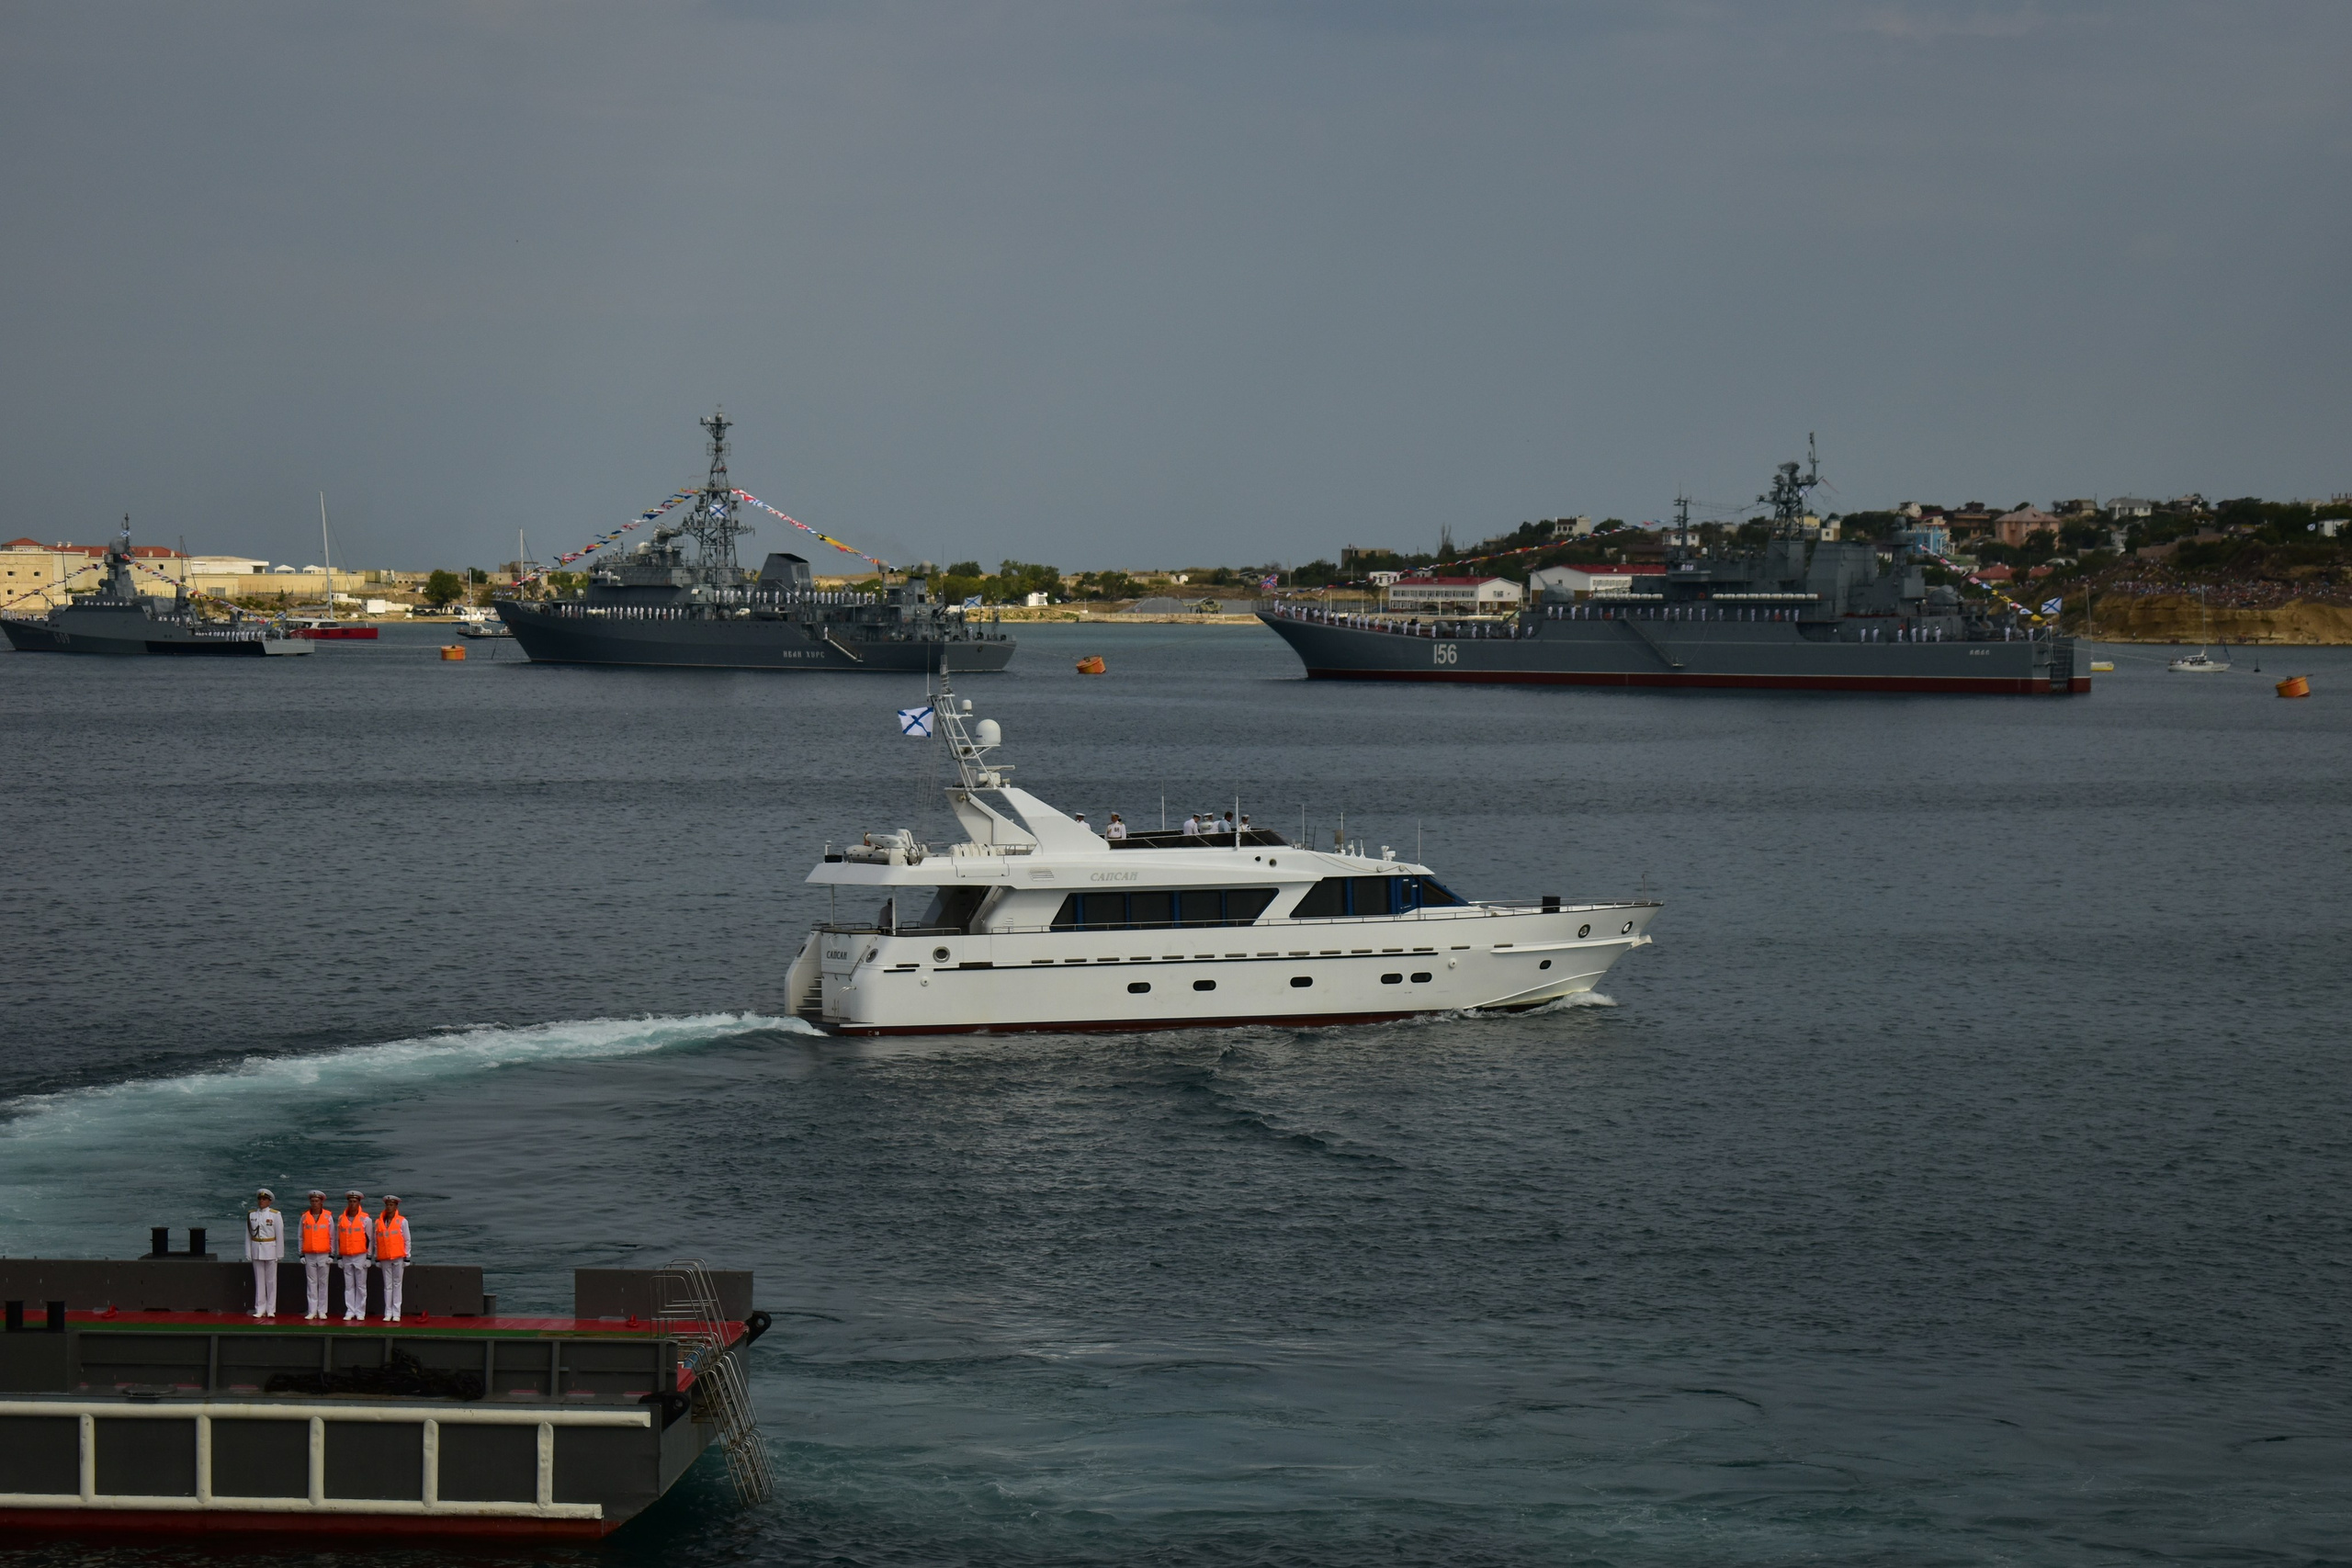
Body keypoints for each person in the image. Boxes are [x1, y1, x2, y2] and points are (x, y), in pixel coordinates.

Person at [334, 1190, 373, 1320]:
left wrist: (369, 1257)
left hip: (360, 1255)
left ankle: (360, 1311)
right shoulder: (341, 1219)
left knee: (361, 1285)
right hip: (346, 1256)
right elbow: (338, 1239)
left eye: (354, 1201)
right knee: (349, 1285)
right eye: (350, 1201)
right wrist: (338, 1257)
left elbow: (370, 1239)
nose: (352, 1204)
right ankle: (350, 1310)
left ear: (359, 1203)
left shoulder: (366, 1220)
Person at [244, 1188, 283, 1319]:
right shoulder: (252, 1215)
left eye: (264, 1199)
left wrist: (279, 1253)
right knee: (259, 1281)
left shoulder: (275, 1215)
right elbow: (248, 1235)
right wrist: (248, 1251)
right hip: (257, 1249)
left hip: (271, 1249)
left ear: (270, 1201)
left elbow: (279, 1235)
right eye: (260, 1199)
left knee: (271, 1281)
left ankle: (271, 1309)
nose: (261, 1201)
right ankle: (260, 1308)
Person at [374, 1196, 413, 1323]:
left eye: (392, 1205)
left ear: (396, 1207)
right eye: (387, 1205)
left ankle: (396, 1312)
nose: (389, 1207)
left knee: (397, 1284)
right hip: (385, 1257)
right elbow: (376, 1242)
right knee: (387, 1286)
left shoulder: (402, 1221)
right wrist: (377, 1258)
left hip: (398, 1257)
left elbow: (407, 1240)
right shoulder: (379, 1222)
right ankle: (388, 1312)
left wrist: (407, 1256)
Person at [298, 1190, 334, 1319]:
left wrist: (332, 1254)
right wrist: (301, 1254)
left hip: (324, 1254)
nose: (314, 1203)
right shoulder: (304, 1217)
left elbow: (332, 1237)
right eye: (312, 1201)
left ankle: (322, 1310)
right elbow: (301, 1236)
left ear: (321, 1202)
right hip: (309, 1254)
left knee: (323, 1282)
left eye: (317, 1201)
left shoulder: (328, 1217)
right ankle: (312, 1310)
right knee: (311, 1282)